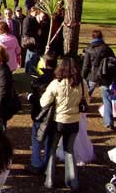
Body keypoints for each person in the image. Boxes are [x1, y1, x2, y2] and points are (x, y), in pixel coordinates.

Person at [40, 57, 90, 191]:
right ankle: (73, 181)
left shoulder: (56, 84)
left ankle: (49, 180)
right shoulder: (82, 84)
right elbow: (87, 101)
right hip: (74, 121)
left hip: (58, 121)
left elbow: (43, 102)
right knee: (69, 150)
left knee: (52, 149)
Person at [26, 51, 57, 175]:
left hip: (41, 115)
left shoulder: (41, 81)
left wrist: (29, 97)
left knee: (37, 139)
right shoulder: (58, 79)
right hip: (53, 116)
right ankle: (47, 162)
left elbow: (38, 100)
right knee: (49, 141)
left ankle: (36, 163)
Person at [82, 29, 115, 129]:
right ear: (101, 37)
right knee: (107, 99)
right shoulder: (107, 48)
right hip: (104, 76)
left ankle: (80, 116)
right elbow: (113, 61)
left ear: (92, 37)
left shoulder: (89, 48)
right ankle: (108, 122)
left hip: (92, 76)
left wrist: (82, 77)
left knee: (85, 96)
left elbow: (86, 66)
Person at [22, 7, 48, 75]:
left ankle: (32, 71)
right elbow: (26, 33)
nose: (43, 18)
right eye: (42, 16)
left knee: (35, 61)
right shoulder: (28, 20)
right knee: (31, 59)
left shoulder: (42, 22)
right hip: (32, 45)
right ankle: (29, 72)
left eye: (44, 17)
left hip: (39, 45)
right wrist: (36, 34)